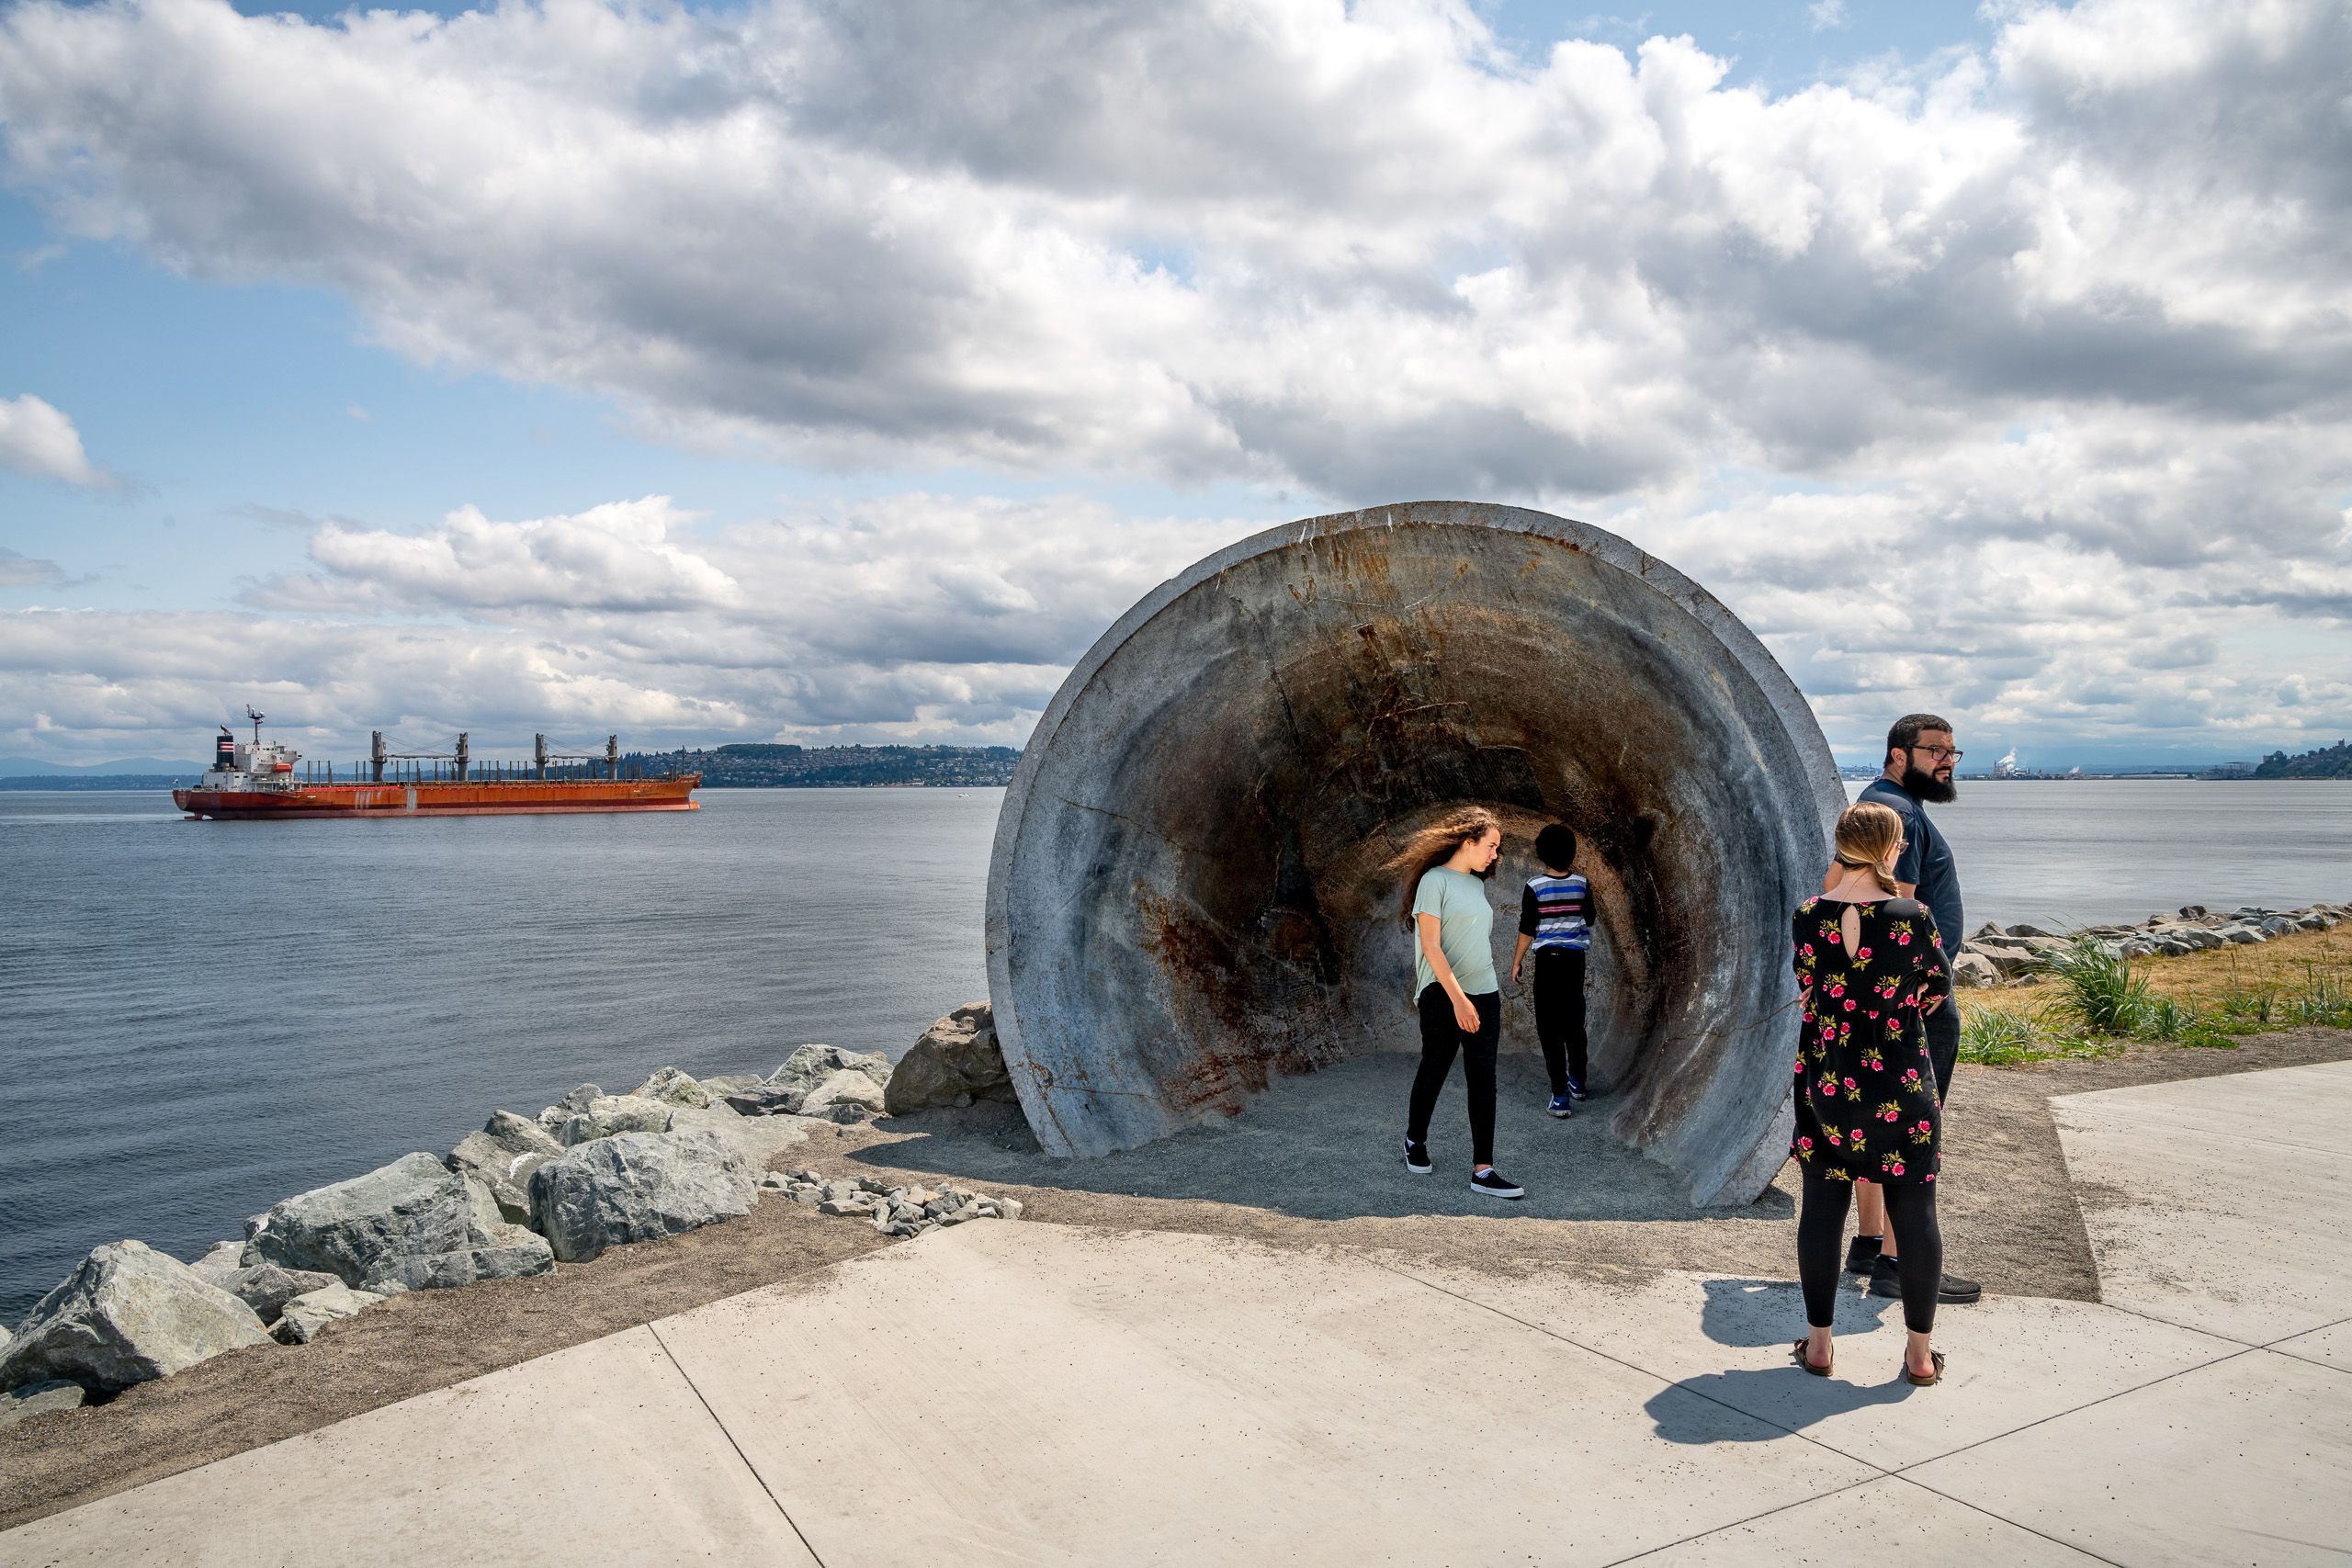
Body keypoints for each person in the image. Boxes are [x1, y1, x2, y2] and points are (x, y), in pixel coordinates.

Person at [1790, 800, 1951, 1385]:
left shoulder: (1808, 915)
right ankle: (1916, 1356)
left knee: (1821, 1209)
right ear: (1889, 849)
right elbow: (1934, 992)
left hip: (1828, 1082)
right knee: (1915, 1212)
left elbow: (1809, 990)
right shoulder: (1913, 916)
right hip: (1899, 1083)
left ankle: (1820, 1346)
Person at [1842, 713, 1980, 1305]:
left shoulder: (1878, 807)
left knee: (1876, 1120)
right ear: (1898, 754)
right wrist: (1921, 987)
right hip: (1917, 999)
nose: (1947, 761)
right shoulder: (1899, 816)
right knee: (1913, 1130)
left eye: (1953, 752)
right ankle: (1899, 1264)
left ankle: (1869, 1242)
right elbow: (1902, 910)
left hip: (1889, 998)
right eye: (1935, 751)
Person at [1388, 806, 1524, 1199]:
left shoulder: (1476, 885)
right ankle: (1414, 1140)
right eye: (1491, 846)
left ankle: (1483, 1170)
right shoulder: (1434, 881)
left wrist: (1479, 995)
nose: (1495, 855)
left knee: (1484, 1079)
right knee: (1435, 1067)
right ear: (1468, 842)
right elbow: (1430, 946)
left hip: (1485, 994)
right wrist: (1460, 1001)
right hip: (1443, 995)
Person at [1510, 822, 1592, 1118]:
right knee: (1574, 1022)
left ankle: (1559, 1096)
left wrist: (1517, 961)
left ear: (1541, 853)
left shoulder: (1534, 886)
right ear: (1571, 853)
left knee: (1549, 1028)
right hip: (1574, 961)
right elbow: (1590, 918)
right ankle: (1578, 1082)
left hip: (1548, 961)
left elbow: (1527, 927)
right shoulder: (1582, 884)